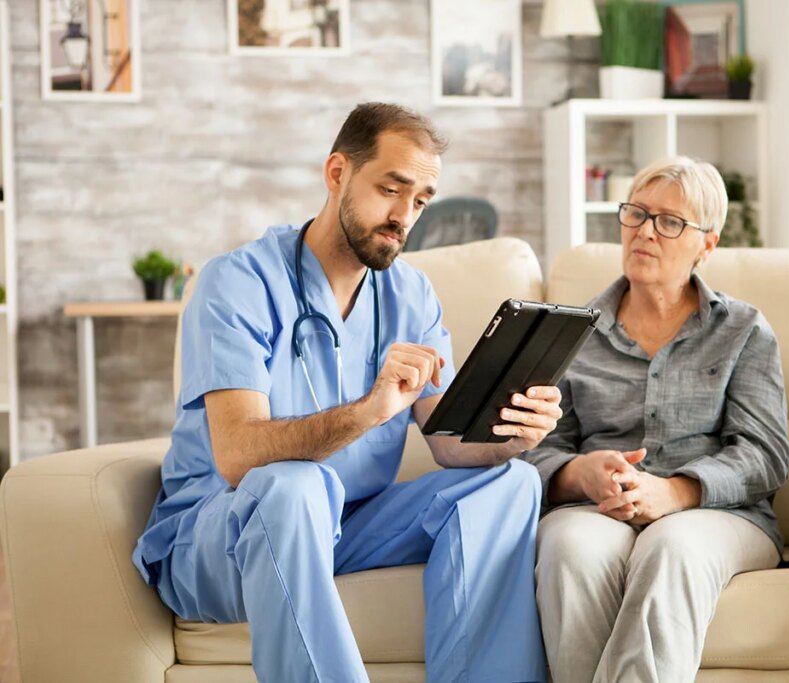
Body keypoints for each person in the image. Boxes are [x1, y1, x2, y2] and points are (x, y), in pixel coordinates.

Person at [131, 102, 560, 683]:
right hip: (219, 534)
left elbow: (450, 443)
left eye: (421, 200)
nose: (404, 215)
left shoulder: (411, 295)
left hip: (345, 525)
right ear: (337, 174)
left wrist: (512, 433)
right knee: (292, 485)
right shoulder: (236, 283)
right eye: (391, 189)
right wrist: (370, 411)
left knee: (510, 481)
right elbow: (236, 456)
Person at [522, 156, 789, 683]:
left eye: (669, 222)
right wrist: (580, 473)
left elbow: (765, 456)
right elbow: (536, 448)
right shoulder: (572, 332)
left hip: (720, 515)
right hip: (596, 507)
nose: (645, 231)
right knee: (569, 549)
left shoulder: (743, 330)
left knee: (671, 547)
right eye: (637, 213)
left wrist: (676, 493)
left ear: (706, 244)